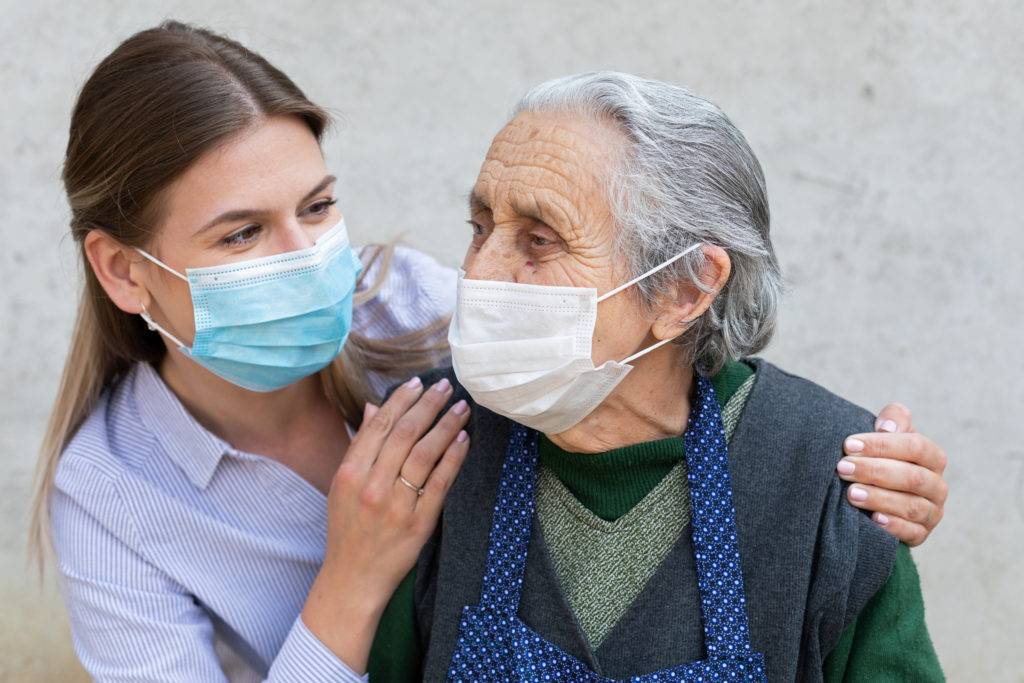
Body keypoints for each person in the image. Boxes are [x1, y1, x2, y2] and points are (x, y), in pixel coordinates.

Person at [32, 23, 946, 681]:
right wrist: (351, 581)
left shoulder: (423, 312)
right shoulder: (109, 497)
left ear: (683, 287)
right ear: (124, 271)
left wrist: (865, 473)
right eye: (240, 235)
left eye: (316, 208)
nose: (485, 278)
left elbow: (670, 364)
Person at [368, 72, 944, 681]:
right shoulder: (430, 445)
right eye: (480, 228)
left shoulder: (831, 484)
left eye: (539, 240)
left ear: (684, 288)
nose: (481, 273)